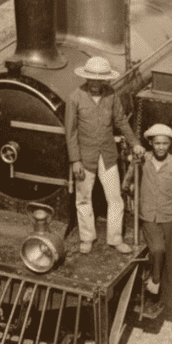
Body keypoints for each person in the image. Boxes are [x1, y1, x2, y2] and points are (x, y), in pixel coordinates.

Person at [65, 56, 145, 254]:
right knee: (83, 198)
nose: (96, 84)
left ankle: (116, 238)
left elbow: (120, 121)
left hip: (108, 156)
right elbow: (71, 132)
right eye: (92, 79)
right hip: (84, 158)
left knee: (115, 197)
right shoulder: (74, 98)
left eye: (100, 80)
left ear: (106, 80)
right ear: (86, 78)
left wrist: (135, 143)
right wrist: (75, 160)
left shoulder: (111, 95)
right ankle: (86, 238)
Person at [137, 123, 172, 322]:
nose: (160, 147)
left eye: (165, 143)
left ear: (170, 144)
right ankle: (155, 280)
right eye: (157, 143)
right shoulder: (143, 161)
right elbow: (129, 178)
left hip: (170, 218)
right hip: (149, 218)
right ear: (150, 143)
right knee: (158, 250)